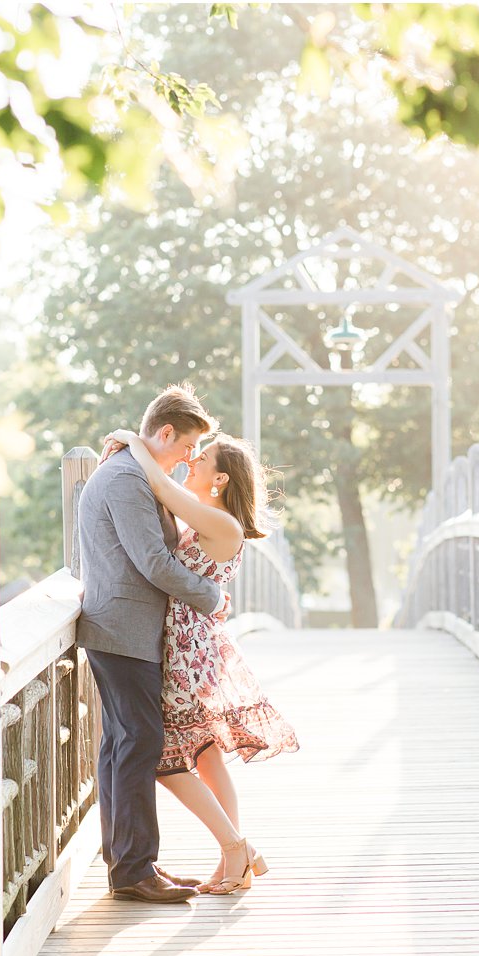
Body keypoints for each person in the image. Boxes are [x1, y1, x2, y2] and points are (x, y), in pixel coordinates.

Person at [108, 426, 300, 895]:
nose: (191, 460)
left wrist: (134, 443)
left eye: (202, 457)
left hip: (188, 652)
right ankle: (236, 858)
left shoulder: (222, 524)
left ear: (220, 481)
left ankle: (236, 849)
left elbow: (161, 486)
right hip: (190, 644)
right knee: (206, 755)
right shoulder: (208, 520)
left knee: (167, 760)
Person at [77, 384, 226, 904]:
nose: (189, 458)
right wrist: (211, 595)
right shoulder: (125, 479)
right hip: (123, 629)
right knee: (138, 743)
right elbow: (154, 563)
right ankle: (136, 870)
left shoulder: (133, 471)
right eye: (187, 447)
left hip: (124, 628)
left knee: (124, 745)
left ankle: (130, 866)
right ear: (164, 433)